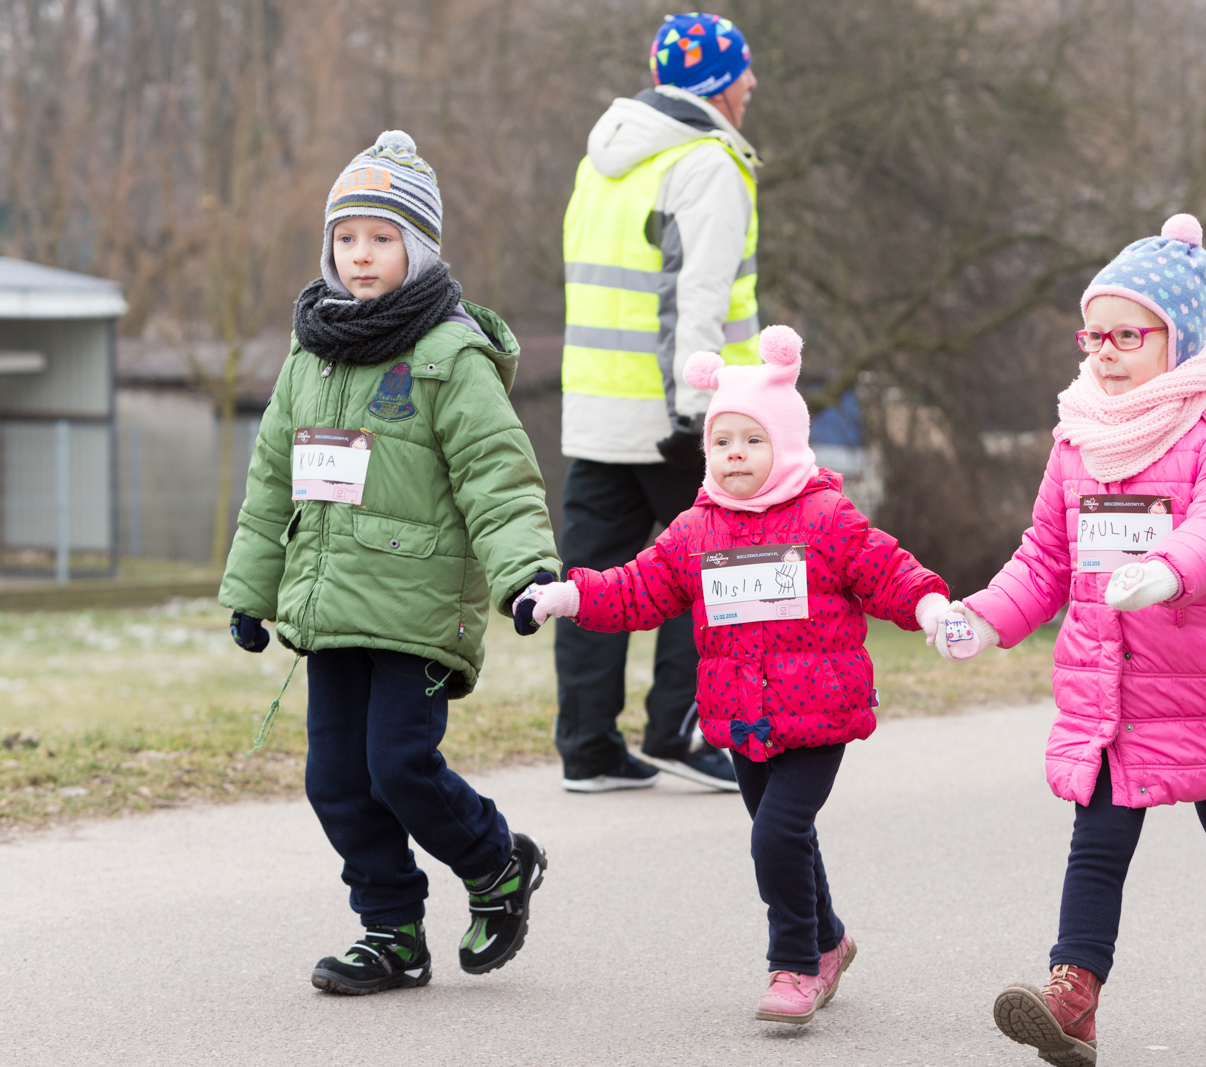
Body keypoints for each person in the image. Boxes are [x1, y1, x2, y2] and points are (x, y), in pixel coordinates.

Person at [929, 215, 1206, 1064]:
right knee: (1097, 838)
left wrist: (1170, 569)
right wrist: (985, 616)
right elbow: (1044, 558)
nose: (1104, 351)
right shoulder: (1077, 441)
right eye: (1093, 334)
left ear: (1177, 339)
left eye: (1126, 335)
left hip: (1203, 679)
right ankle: (1073, 996)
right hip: (1108, 691)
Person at [517, 326, 953, 1024]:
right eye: (722, 442)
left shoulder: (826, 516)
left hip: (819, 716)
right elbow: (638, 588)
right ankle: (830, 938)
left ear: (783, 442)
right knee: (788, 836)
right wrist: (569, 595)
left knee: (775, 835)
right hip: (742, 717)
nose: (735, 455)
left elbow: (888, 570)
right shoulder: (696, 529)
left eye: (752, 440)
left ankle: (795, 966)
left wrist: (930, 605)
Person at [220, 130, 560, 996]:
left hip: (416, 603)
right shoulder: (311, 350)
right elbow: (270, 480)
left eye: (381, 237)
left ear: (419, 246)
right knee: (335, 779)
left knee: (397, 766)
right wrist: (253, 589)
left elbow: (498, 472)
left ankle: (496, 865)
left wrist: (526, 573)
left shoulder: (449, 355)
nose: (361, 255)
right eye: (346, 237)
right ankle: (391, 932)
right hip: (331, 605)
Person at [554, 11, 763, 793]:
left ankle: (587, 745)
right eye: (743, 73)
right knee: (711, 570)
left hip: (596, 412)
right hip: (676, 414)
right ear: (718, 82)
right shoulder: (708, 162)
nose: (752, 86)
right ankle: (681, 727)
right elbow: (695, 294)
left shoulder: (602, 160)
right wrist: (695, 410)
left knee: (592, 581)